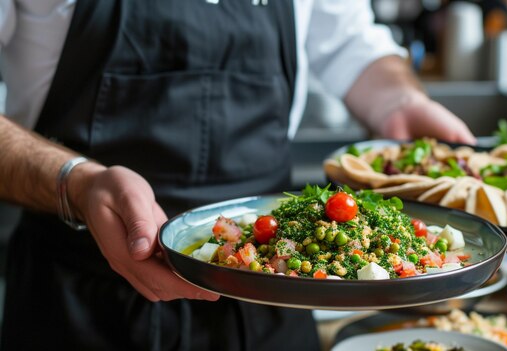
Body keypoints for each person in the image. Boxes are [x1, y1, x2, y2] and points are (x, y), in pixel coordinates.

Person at [0, 0, 475, 350]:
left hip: (276, 294)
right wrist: (75, 181)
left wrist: (402, 103)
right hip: (78, 301)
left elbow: (350, 42)